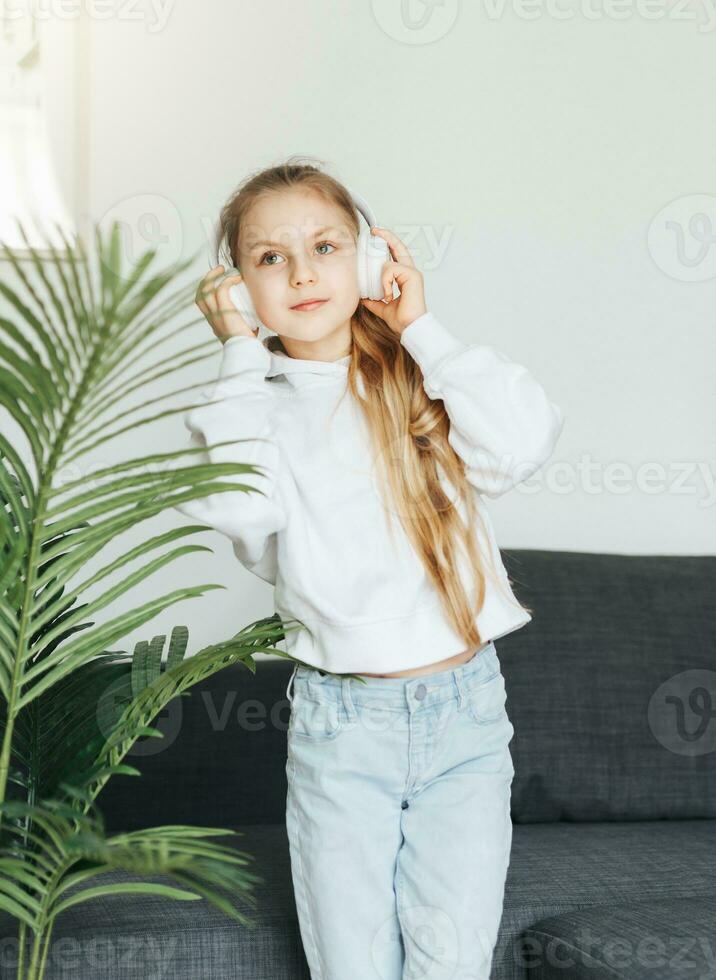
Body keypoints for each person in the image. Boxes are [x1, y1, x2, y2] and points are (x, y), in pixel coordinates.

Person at [176, 157, 565, 979]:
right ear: (238, 289)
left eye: (324, 245)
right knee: (352, 964)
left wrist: (421, 324)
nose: (303, 272)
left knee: (449, 961)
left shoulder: (424, 377)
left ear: (368, 259)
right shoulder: (251, 407)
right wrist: (240, 355)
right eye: (270, 258)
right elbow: (240, 511)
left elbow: (523, 441)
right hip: (343, 727)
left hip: (467, 716)